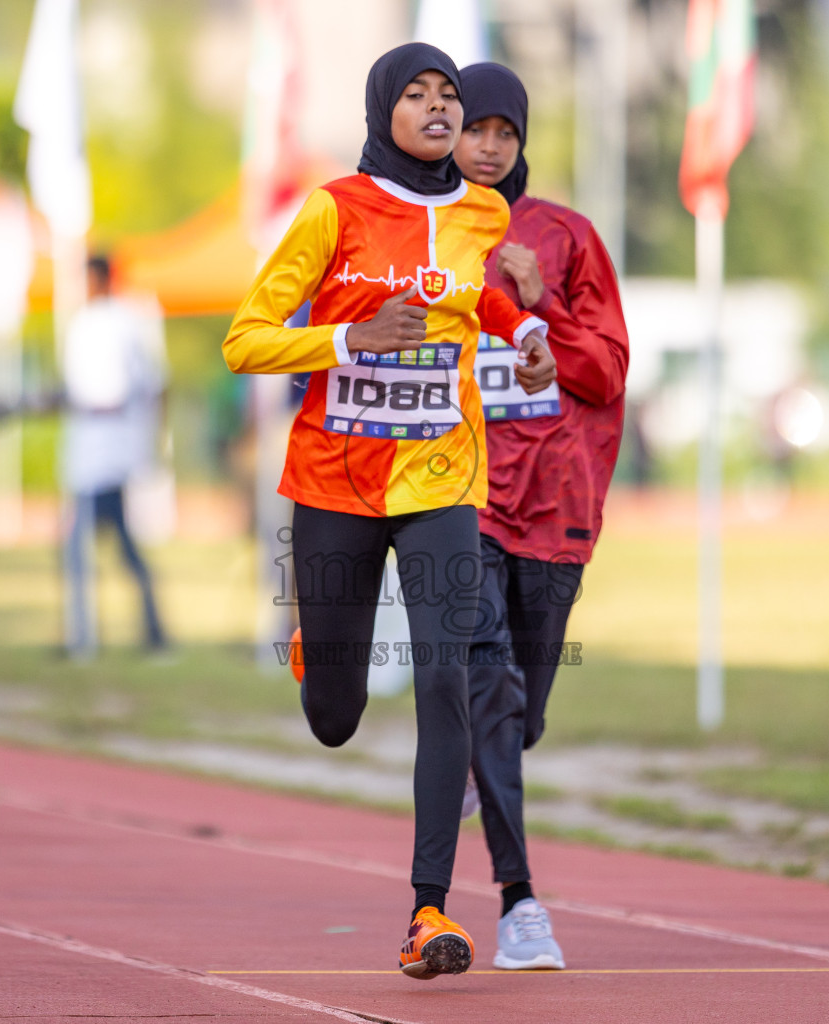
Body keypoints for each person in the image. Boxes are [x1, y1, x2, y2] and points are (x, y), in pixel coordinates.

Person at [223, 43, 556, 980]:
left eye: (449, 93)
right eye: (418, 94)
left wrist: (527, 334)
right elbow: (245, 341)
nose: (441, 108)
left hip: (443, 481)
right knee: (334, 715)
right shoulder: (334, 208)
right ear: (384, 112)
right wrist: (347, 337)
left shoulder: (482, 210)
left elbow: (476, 300)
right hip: (334, 480)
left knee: (444, 678)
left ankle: (428, 913)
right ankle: (315, 651)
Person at [453, 62, 630, 971]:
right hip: (463, 499)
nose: (487, 146)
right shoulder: (427, 234)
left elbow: (603, 371)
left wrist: (542, 298)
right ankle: (521, 904)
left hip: (555, 504)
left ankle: (495, 759)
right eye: (473, 128)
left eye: (503, 132)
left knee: (521, 714)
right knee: (489, 688)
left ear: (520, 143)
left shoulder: (565, 237)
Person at [60, 254, 170, 657]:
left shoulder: (124, 324)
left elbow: (150, 386)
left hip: (110, 456)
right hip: (87, 456)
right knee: (108, 547)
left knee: (95, 547)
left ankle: (90, 636)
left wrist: (152, 444)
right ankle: (102, 632)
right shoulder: (81, 325)